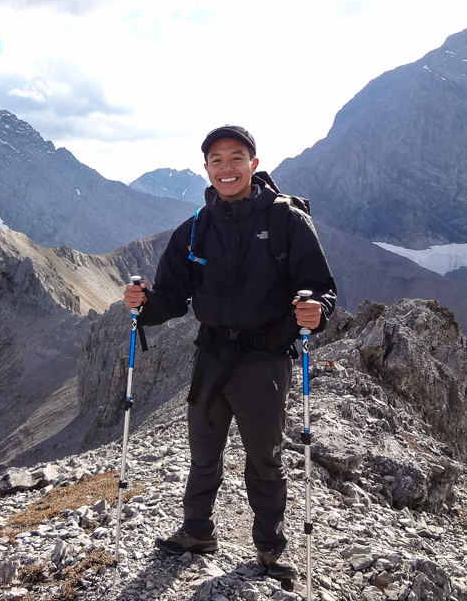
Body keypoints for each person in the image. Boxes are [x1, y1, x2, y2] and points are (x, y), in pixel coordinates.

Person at [124, 125, 336, 581]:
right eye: (216, 160)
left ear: (254, 165)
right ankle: (197, 531)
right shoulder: (195, 229)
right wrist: (144, 304)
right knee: (203, 451)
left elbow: (321, 286)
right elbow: (172, 298)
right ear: (206, 169)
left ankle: (270, 548)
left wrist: (317, 310)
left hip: (265, 358)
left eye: (236, 157)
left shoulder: (286, 221)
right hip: (213, 356)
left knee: (265, 456)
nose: (226, 168)